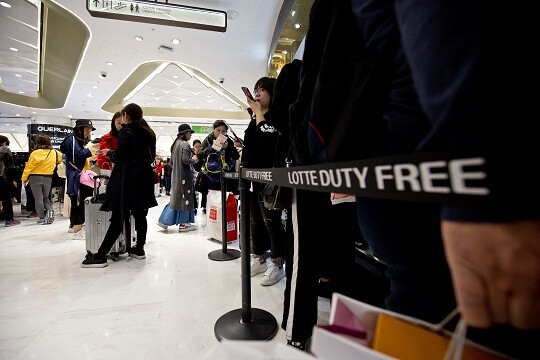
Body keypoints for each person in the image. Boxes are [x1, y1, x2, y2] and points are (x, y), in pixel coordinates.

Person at [81, 103, 158, 267]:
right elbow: (149, 157)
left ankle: (100, 255)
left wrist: (110, 153)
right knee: (139, 215)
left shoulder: (126, 131)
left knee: (118, 216)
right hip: (143, 179)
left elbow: (121, 158)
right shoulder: (148, 133)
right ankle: (140, 249)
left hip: (126, 179)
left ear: (125, 115)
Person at [241, 76, 288, 287]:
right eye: (255, 90)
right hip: (252, 178)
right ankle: (259, 257)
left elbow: (268, 140)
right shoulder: (256, 118)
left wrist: (258, 113)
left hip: (270, 178)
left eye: (261, 90)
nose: (257, 93)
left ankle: (278, 263)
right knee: (255, 221)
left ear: (272, 92)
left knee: (272, 221)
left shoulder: (276, 116)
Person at [60, 119, 98, 239]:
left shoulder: (77, 140)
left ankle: (78, 228)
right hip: (76, 177)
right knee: (77, 203)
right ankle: (77, 230)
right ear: (79, 129)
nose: (88, 132)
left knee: (80, 203)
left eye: (89, 130)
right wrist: (90, 150)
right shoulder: (71, 139)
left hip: (79, 177)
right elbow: (76, 157)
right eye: (86, 130)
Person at [157, 124, 199, 232]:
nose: (190, 135)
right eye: (189, 132)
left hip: (176, 176)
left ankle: (164, 220)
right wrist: (194, 160)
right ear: (185, 133)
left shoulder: (175, 144)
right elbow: (185, 160)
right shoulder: (185, 144)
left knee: (176, 199)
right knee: (186, 198)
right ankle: (184, 224)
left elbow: (171, 163)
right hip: (184, 176)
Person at [197, 120, 240, 213]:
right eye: (218, 130)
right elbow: (200, 155)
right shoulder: (208, 140)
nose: (221, 133)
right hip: (210, 176)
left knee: (226, 200)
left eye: (223, 131)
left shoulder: (228, 141)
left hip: (226, 176)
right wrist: (213, 147)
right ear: (213, 130)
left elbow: (236, 156)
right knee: (212, 203)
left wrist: (228, 147)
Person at [20, 135, 62, 225]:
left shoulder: (35, 153)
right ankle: (50, 211)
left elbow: (28, 167)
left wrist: (24, 178)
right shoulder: (54, 152)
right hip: (48, 177)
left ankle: (42, 218)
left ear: (37, 143)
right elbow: (63, 160)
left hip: (35, 177)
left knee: (38, 198)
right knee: (46, 197)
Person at [0, 135, 20, 227]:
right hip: (1, 177)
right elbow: (10, 164)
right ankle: (9, 220)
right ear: (4, 143)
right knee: (6, 198)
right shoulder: (4, 149)